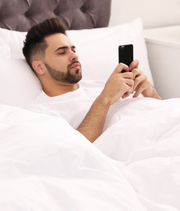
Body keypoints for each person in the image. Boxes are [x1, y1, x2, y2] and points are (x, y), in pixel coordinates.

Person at [23, 18, 161, 143]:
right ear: (39, 67)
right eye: (62, 52)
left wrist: (150, 93)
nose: (74, 56)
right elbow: (73, 151)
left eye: (73, 50)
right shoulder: (41, 113)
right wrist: (105, 99)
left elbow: (167, 114)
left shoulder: (102, 85)